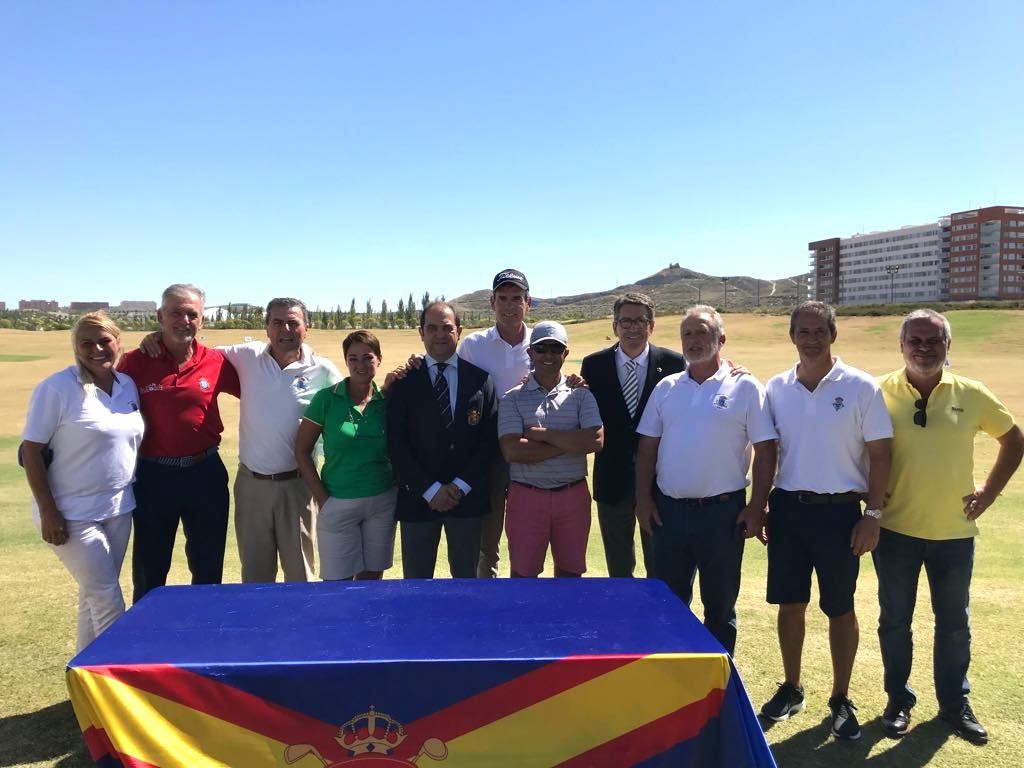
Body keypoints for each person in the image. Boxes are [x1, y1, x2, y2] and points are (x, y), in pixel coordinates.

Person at [874, 309, 1023, 743]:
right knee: (895, 621)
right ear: (901, 346)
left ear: (948, 346)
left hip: (954, 534)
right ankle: (898, 699)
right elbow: (855, 445)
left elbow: (1013, 440)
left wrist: (989, 493)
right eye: (915, 341)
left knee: (954, 624)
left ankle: (954, 706)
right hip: (896, 531)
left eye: (933, 341)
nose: (923, 348)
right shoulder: (878, 391)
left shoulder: (971, 393)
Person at [760, 301, 892, 741]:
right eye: (804, 331)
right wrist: (760, 504)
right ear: (792, 336)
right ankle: (793, 687)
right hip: (788, 510)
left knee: (840, 607)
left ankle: (840, 697)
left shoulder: (860, 386)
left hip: (839, 514)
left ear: (833, 335)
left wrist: (872, 515)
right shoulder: (776, 387)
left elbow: (880, 454)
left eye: (820, 331)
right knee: (789, 603)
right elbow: (767, 452)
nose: (812, 339)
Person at [635, 306, 777, 655]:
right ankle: (671, 676)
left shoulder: (746, 387)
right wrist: (643, 500)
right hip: (669, 514)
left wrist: (758, 505)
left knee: (720, 607)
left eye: (702, 333)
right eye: (687, 334)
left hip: (723, 515)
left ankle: (717, 683)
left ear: (721, 339)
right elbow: (647, 449)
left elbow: (766, 450)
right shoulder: (667, 388)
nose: (694, 341)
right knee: (668, 604)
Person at [21, 313, 145, 652]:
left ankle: (83, 685)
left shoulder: (126, 385)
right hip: (71, 513)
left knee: (94, 596)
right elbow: (30, 451)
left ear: (118, 342)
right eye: (86, 343)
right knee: (107, 600)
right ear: (75, 348)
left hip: (119, 508)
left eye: (104, 340)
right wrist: (48, 511)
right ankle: (116, 688)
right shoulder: (57, 388)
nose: (97, 349)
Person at [119, 284, 240, 602]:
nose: (184, 320)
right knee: (150, 567)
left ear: (202, 320)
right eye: (175, 313)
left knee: (208, 564)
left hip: (206, 473)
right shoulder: (134, 363)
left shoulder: (216, 361)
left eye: (192, 314)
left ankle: (203, 639)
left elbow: (264, 387)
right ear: (160, 316)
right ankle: (146, 641)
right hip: (153, 475)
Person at [219, 299, 342, 582]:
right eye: (277, 322)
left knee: (301, 575)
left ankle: (302, 627)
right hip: (252, 486)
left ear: (306, 328)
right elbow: (195, 354)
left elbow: (348, 408)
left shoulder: (321, 369)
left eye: (293, 323)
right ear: (266, 328)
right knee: (255, 577)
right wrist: (157, 339)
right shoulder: (246, 356)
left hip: (298, 487)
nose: (285, 329)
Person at [387, 302, 498, 578]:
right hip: (418, 499)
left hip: (467, 501)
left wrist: (459, 486)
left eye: (447, 328)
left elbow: (488, 442)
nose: (439, 334)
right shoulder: (404, 382)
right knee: (417, 583)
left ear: (459, 331)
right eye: (432, 328)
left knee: (465, 583)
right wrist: (430, 489)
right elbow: (397, 444)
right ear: (420, 332)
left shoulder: (481, 380)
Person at [581, 293, 685, 578]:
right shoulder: (594, 365)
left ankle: (658, 622)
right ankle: (623, 621)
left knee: (660, 566)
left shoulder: (675, 364)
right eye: (625, 321)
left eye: (640, 321)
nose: (632, 327)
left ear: (651, 325)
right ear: (615, 326)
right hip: (612, 481)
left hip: (659, 483)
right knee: (619, 568)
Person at [498, 321, 603, 578]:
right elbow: (512, 451)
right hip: (526, 498)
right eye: (541, 348)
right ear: (530, 353)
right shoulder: (512, 398)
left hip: (572, 496)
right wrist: (570, 444)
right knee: (523, 576)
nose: (548, 355)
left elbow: (595, 441)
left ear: (565, 354)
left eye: (555, 349)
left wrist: (543, 435)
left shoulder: (581, 395)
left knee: (570, 574)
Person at [295, 330, 396, 580]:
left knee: (372, 581)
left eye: (367, 357)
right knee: (336, 585)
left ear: (379, 359)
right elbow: (302, 451)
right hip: (338, 501)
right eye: (353, 358)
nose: (360, 365)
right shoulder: (326, 399)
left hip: (381, 501)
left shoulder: (387, 400)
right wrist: (322, 498)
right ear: (346, 361)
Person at [458, 268, 533, 578]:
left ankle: (521, 592)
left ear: (529, 302)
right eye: (502, 298)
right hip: (485, 452)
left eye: (517, 298)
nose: (509, 305)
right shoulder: (473, 345)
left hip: (528, 449)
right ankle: (484, 594)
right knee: (485, 536)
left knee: (526, 531)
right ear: (491, 303)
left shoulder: (542, 343)